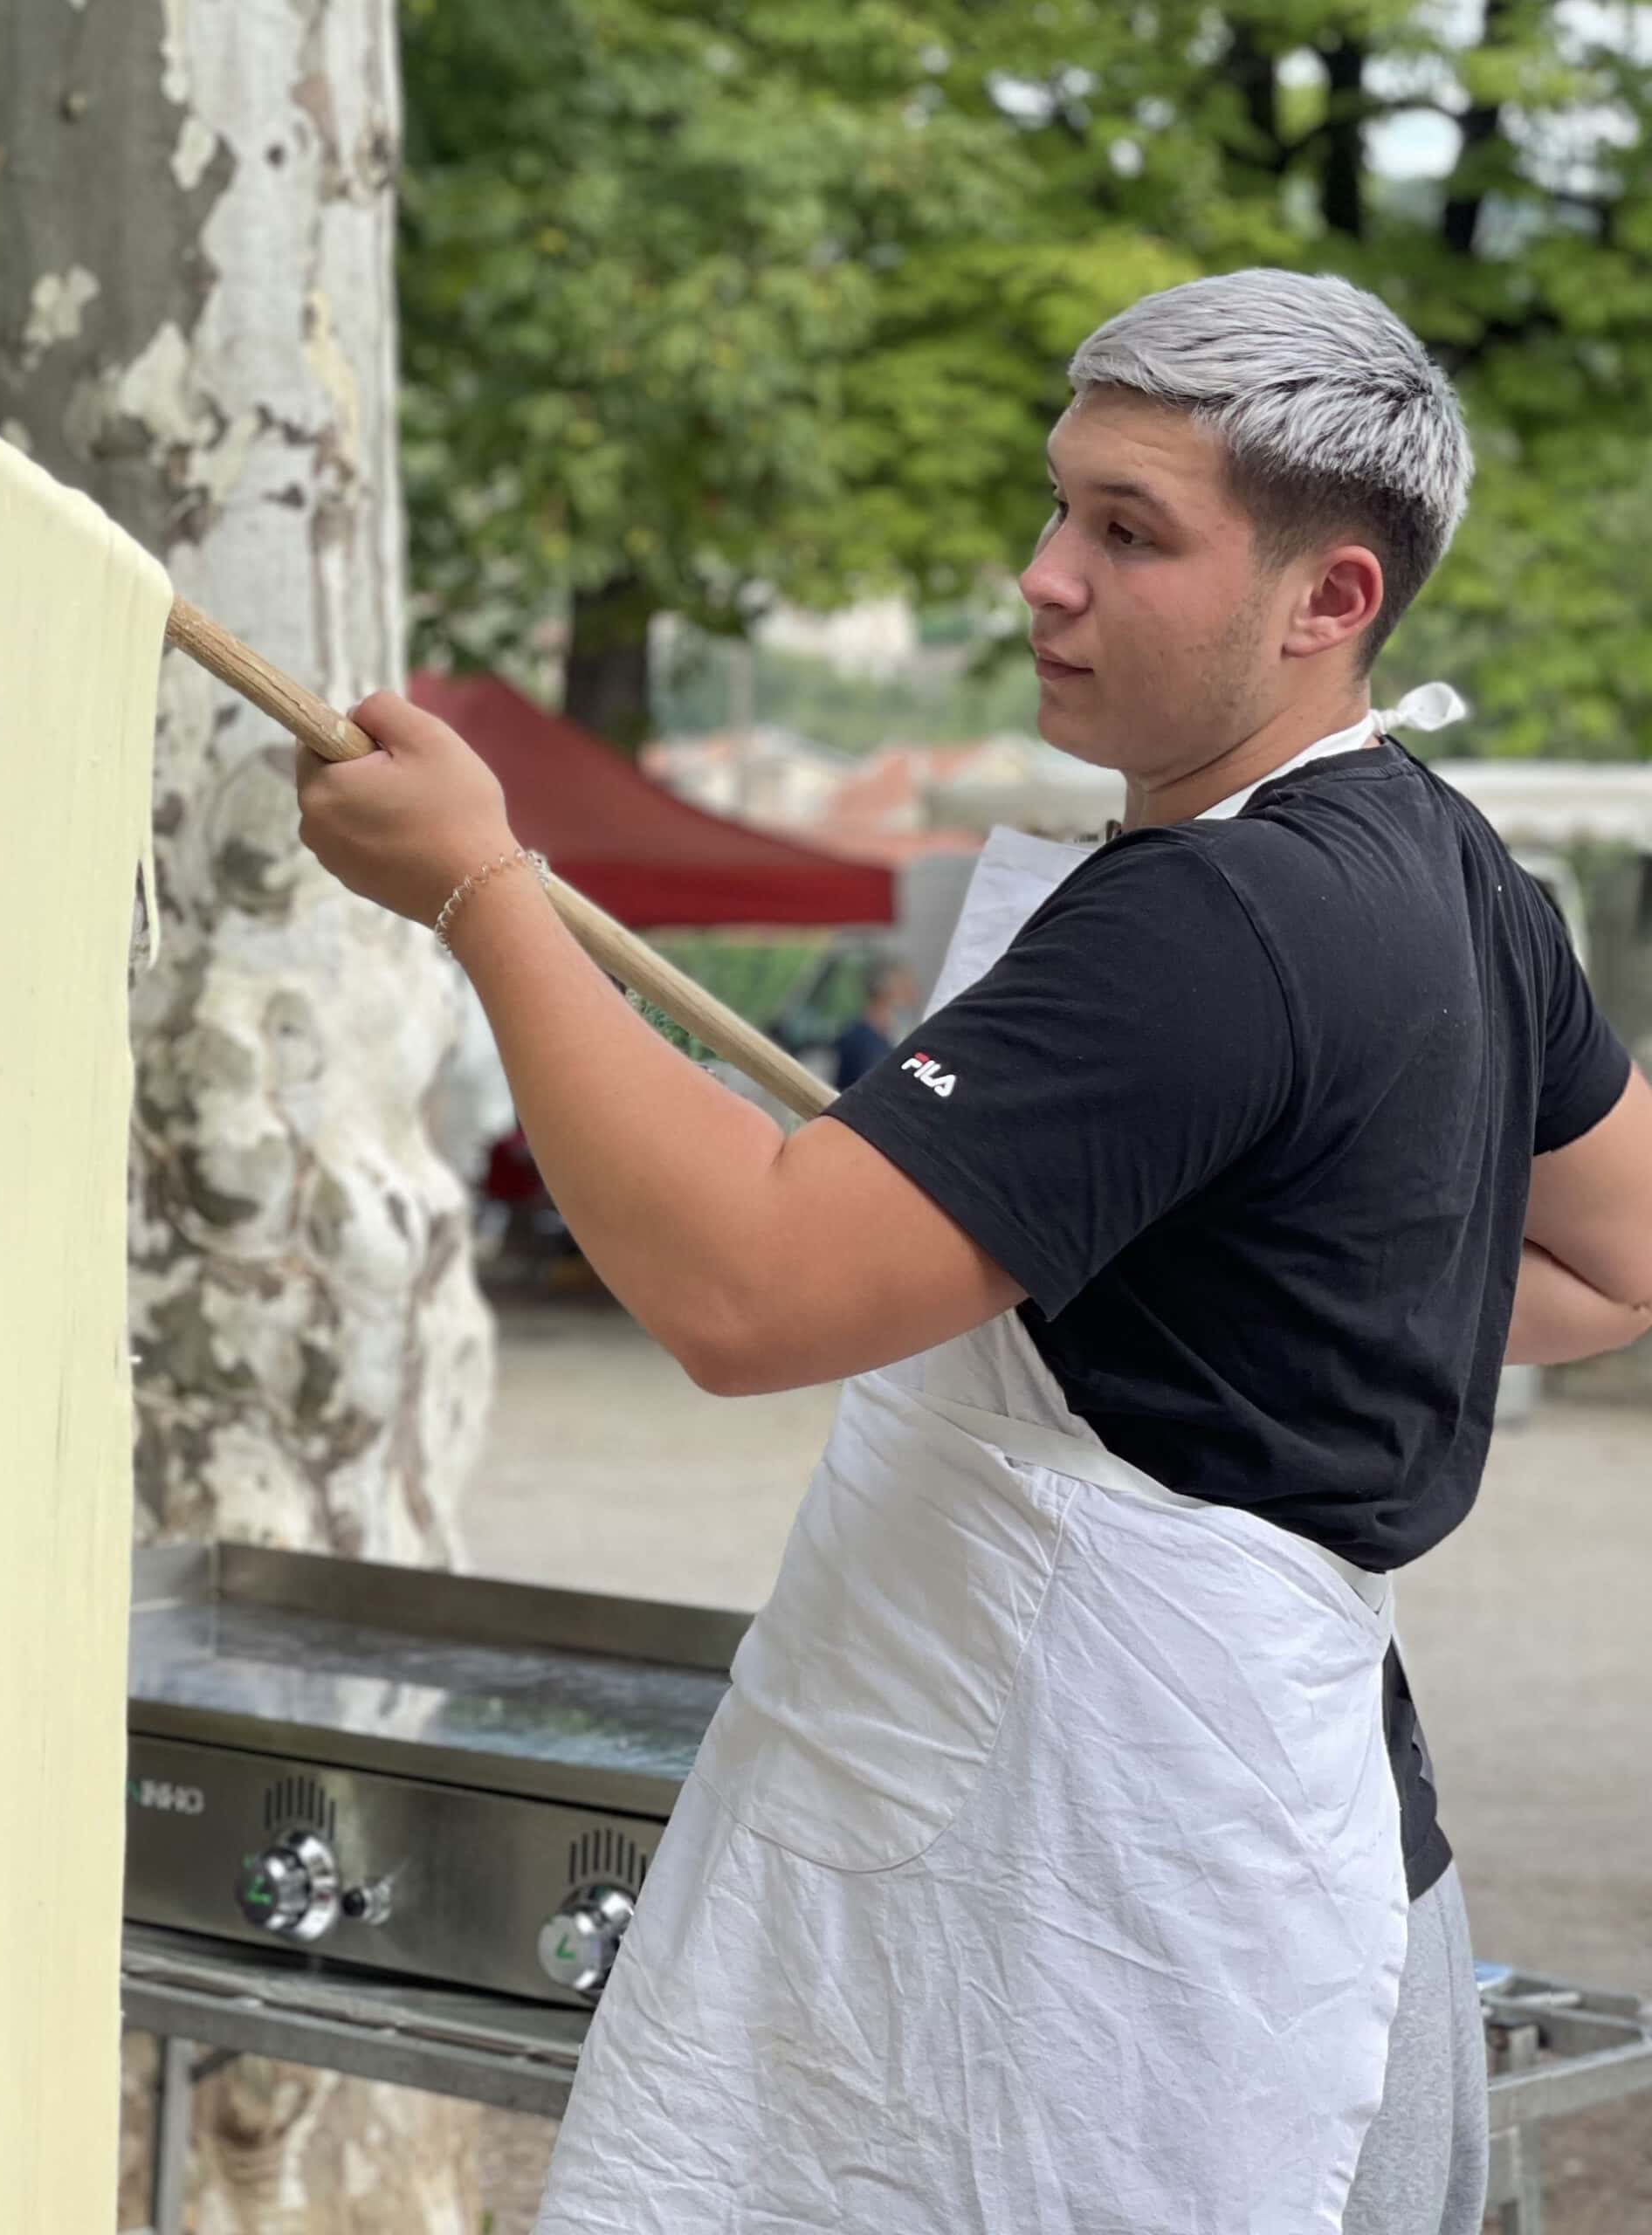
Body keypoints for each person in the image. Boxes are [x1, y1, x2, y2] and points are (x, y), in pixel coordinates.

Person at [294, 267, 1652, 2233]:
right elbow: (1614, 1261)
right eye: (1055, 504)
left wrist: (484, 891)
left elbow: (744, 1290)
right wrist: (1230, 1294)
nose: (1041, 576)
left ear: (1327, 597)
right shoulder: (1446, 862)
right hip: (1323, 1870)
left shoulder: (1203, 922)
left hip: (1126, 1930)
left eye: (1126, 532)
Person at [830, 957, 920, 1089]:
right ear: (884, 993)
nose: (914, 998)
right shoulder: (859, 1040)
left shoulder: (890, 1041)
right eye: (905, 990)